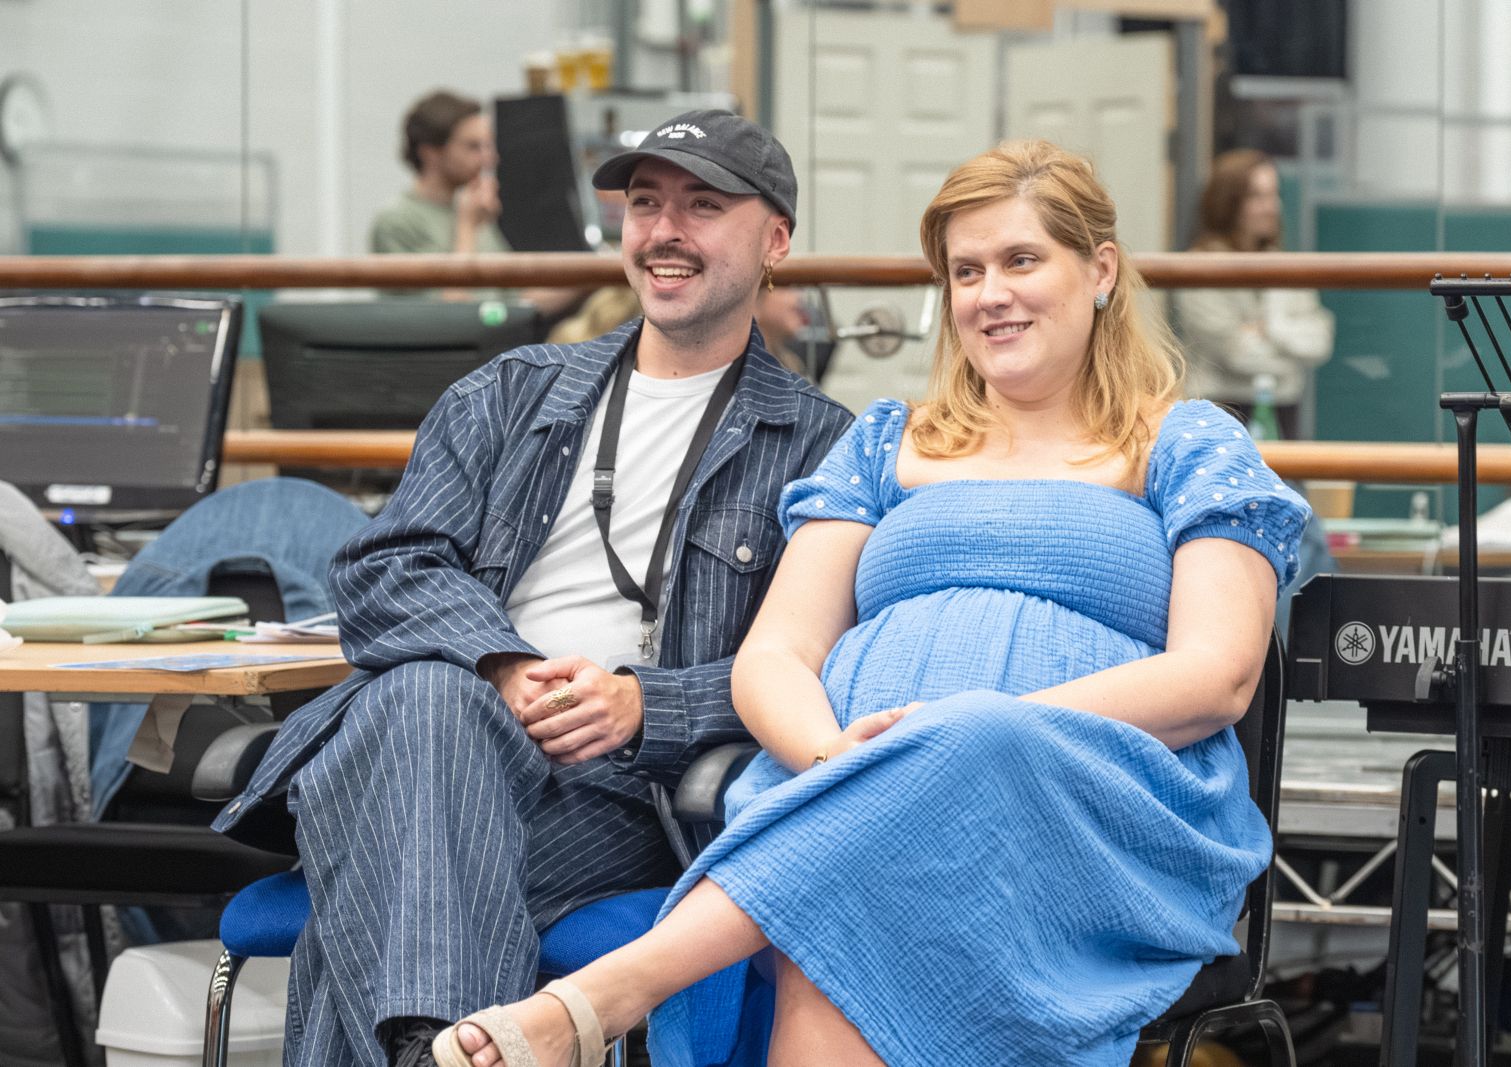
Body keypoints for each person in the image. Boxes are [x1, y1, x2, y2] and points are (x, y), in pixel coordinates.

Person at [431, 140, 1311, 1067]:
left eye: (1021, 260)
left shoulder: (1188, 442)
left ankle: (607, 994)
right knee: (859, 892)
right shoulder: (887, 442)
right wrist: (833, 757)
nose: (990, 294)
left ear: (1099, 270)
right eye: (966, 271)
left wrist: (974, 731)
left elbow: (1218, 674)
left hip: (1098, 803)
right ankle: (637, 974)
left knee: (953, 758)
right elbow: (776, 654)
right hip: (851, 783)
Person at [214, 108, 854, 1066]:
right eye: (646, 204)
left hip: (619, 790)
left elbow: (822, 664)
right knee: (432, 703)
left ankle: (423, 1043)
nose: (665, 231)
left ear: (776, 241)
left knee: (384, 874)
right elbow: (383, 568)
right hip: (434, 737)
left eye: (703, 206)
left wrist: (645, 704)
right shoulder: (511, 392)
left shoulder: (821, 445)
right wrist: (504, 666)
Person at [370, 89, 582, 314]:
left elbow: (517, 302)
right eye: (473, 147)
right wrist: (467, 228)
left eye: (488, 146)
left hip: (502, 334)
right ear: (430, 153)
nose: (490, 158)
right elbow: (449, 314)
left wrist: (591, 275)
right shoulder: (397, 221)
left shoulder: (473, 211)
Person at [1173, 147, 1334, 439]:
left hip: (1284, 411)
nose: (1271, 206)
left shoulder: (1286, 265)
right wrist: (1289, 347)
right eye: (1257, 196)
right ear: (1228, 202)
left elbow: (1319, 342)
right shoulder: (1200, 267)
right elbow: (1236, 355)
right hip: (1220, 412)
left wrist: (1269, 329)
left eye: (1273, 194)